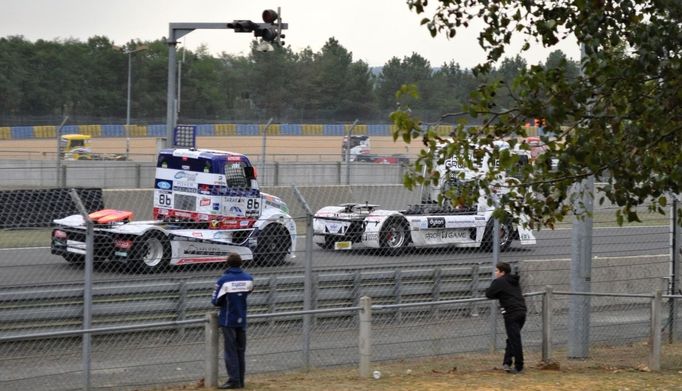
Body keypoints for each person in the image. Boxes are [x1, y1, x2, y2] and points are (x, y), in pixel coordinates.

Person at [211, 253, 254, 389]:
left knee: (230, 351)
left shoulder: (224, 280)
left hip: (228, 320)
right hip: (242, 319)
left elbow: (215, 301)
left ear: (227, 264)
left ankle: (233, 380)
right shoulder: (248, 278)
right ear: (241, 263)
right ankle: (240, 380)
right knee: (240, 350)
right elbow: (249, 291)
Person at [485, 262, 527, 374]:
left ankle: (519, 366)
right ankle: (507, 362)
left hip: (511, 313)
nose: (495, 273)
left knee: (515, 340)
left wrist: (498, 295)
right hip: (522, 311)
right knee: (512, 338)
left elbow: (489, 294)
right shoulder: (513, 281)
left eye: (497, 271)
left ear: (502, 272)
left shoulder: (499, 281)